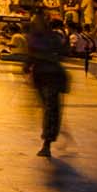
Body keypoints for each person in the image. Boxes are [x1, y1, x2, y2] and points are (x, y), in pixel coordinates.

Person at [25, 10, 69, 156]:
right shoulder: (53, 37)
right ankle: (48, 139)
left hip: (47, 75)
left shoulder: (37, 38)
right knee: (50, 108)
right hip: (48, 74)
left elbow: (30, 57)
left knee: (49, 109)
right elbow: (64, 51)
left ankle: (47, 142)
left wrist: (28, 66)